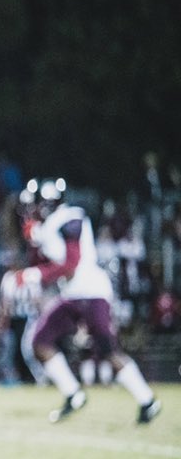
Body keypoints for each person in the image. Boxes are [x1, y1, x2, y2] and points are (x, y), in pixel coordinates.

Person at [14, 179, 161, 424]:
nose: (33, 210)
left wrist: (34, 274)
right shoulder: (48, 227)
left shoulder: (70, 218)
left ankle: (147, 400)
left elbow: (70, 265)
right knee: (40, 342)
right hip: (72, 294)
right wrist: (34, 242)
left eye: (36, 205)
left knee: (108, 350)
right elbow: (47, 261)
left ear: (49, 203)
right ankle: (73, 394)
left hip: (91, 292)